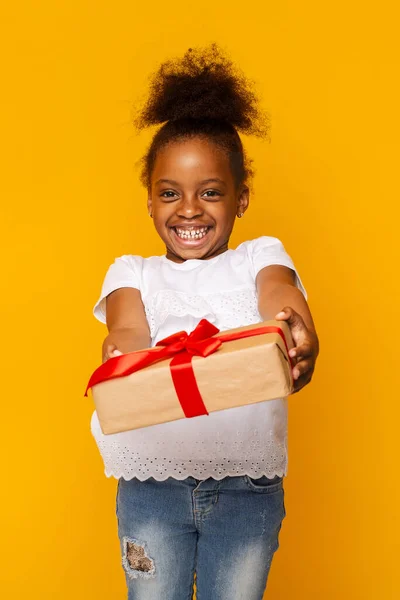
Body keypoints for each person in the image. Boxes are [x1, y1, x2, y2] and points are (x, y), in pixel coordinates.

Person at [91, 44, 319, 600]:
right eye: (169, 194)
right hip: (151, 489)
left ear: (241, 199)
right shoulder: (133, 272)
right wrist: (119, 358)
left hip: (247, 489)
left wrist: (296, 328)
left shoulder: (258, 256)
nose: (188, 209)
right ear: (149, 202)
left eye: (210, 193)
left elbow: (278, 293)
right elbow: (127, 331)